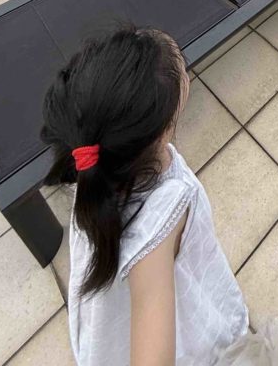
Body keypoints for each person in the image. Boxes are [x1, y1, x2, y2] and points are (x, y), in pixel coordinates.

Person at [41, 27, 248, 366]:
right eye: (183, 70)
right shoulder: (164, 213)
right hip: (186, 325)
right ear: (165, 123)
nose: (186, 70)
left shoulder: (93, 170)